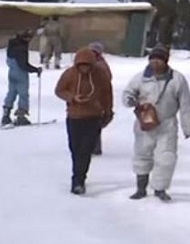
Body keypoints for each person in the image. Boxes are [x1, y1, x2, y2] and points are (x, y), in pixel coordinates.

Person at [122, 45, 190, 201]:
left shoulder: (177, 79)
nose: (155, 63)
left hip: (166, 125)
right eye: (153, 59)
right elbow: (128, 93)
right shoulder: (140, 78)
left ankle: (160, 189)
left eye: (159, 60)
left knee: (166, 158)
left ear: (165, 61)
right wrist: (130, 100)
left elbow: (186, 105)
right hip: (144, 124)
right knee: (142, 154)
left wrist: (188, 127)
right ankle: (140, 188)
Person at [55, 47, 114, 195]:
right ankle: (78, 173)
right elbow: (59, 90)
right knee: (75, 148)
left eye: (87, 66)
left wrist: (108, 111)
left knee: (86, 150)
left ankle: (78, 180)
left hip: (93, 117)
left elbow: (107, 94)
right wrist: (72, 97)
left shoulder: (100, 75)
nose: (84, 69)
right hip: (74, 116)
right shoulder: (70, 74)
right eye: (81, 66)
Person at [2, 29, 42, 126]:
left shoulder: (12, 44)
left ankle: (6, 115)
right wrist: (36, 70)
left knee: (11, 92)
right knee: (23, 94)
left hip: (11, 72)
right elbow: (23, 65)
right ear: (26, 38)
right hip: (21, 73)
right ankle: (21, 116)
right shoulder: (21, 48)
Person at [89, 41, 113, 156]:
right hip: (94, 98)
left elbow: (106, 82)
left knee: (94, 124)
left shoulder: (100, 66)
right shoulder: (92, 63)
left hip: (97, 99)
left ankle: (94, 147)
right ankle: (93, 146)